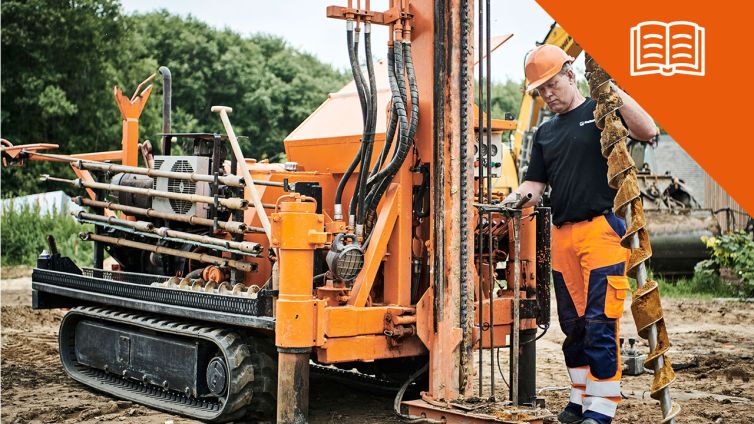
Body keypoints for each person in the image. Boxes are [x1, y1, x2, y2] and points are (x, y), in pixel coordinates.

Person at [502, 45, 657, 424]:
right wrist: (509, 203)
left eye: (552, 84)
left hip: (603, 230)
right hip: (562, 237)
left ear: (571, 75)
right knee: (573, 326)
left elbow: (648, 130)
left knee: (600, 322)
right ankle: (580, 399)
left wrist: (611, 90)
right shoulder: (545, 132)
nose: (548, 94)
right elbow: (534, 185)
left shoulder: (600, 113)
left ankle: (602, 408)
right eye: (541, 90)